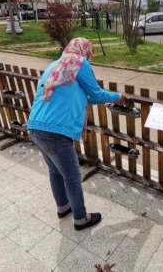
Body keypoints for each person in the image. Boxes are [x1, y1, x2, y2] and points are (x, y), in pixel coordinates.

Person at [28, 37, 128, 231]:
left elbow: (81, 96)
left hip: (35, 126)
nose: (90, 58)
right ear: (85, 51)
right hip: (55, 132)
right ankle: (81, 219)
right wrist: (118, 97)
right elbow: (96, 94)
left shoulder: (56, 65)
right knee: (72, 177)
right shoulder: (78, 63)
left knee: (55, 171)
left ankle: (63, 207)